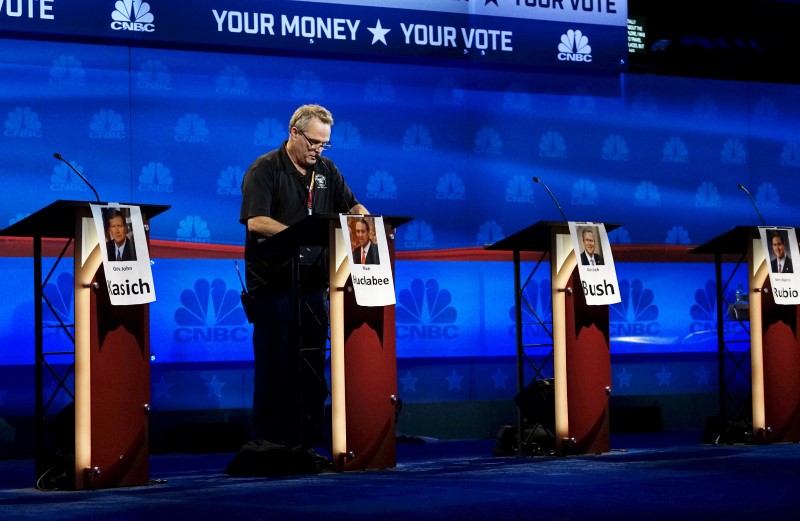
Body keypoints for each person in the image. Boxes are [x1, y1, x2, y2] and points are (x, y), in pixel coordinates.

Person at [239, 104, 368, 461]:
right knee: (276, 368)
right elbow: (256, 221)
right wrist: (299, 237)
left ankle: (306, 443)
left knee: (312, 370)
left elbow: (353, 206)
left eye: (325, 144)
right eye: (313, 142)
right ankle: (269, 445)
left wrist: (368, 222)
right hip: (274, 288)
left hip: (314, 286)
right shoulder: (265, 168)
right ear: (293, 132)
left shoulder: (327, 170)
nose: (318, 150)